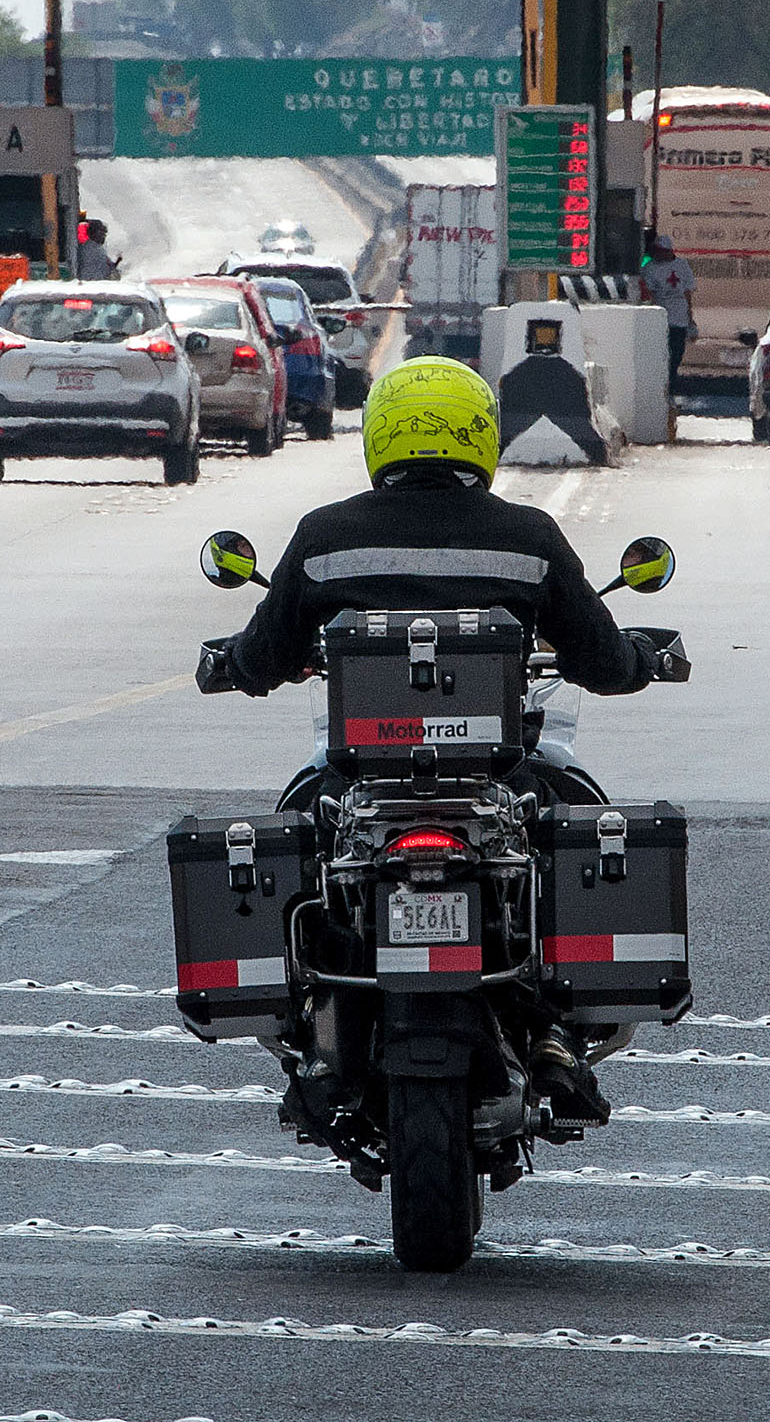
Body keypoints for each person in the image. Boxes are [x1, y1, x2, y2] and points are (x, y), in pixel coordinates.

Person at [205, 356, 664, 1124]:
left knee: (295, 833)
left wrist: (234, 665)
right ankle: (557, 1037)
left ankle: (311, 1033)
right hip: (499, 771)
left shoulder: (325, 537)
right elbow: (602, 662)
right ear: (479, 437)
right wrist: (640, 660)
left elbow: (261, 660)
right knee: (580, 818)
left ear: (380, 435)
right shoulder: (527, 536)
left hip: (361, 775)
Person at [640, 235, 696, 380]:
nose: (657, 254)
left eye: (660, 251)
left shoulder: (682, 266)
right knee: (661, 354)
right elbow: (649, 294)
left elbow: (687, 292)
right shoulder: (650, 269)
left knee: (677, 352)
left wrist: (690, 319)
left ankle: (672, 378)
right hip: (661, 318)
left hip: (679, 317)